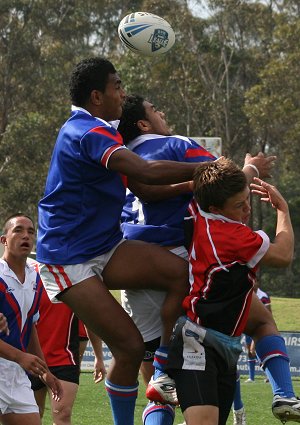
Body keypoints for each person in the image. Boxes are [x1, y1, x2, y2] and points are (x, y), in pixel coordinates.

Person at [36, 57, 215, 425]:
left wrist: (190, 183)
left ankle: (163, 371)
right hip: (67, 258)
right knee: (130, 347)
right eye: (117, 85)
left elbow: (142, 186)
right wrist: (210, 169)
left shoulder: (104, 128)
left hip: (106, 245)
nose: (124, 92)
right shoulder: (85, 131)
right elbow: (145, 170)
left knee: (178, 273)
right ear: (97, 95)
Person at [117, 94, 300, 425]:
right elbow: (221, 181)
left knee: (159, 386)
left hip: (133, 264)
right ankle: (284, 393)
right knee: (259, 321)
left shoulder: (119, 160)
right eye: (155, 110)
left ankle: (159, 374)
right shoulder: (175, 146)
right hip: (182, 266)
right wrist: (251, 168)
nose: (162, 112)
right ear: (144, 123)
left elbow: (151, 192)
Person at [165, 158, 294, 425]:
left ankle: (285, 395)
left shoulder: (200, 209)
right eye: (239, 205)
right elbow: (283, 255)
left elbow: (222, 184)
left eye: (247, 199)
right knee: (263, 321)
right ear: (216, 208)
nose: (247, 209)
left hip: (225, 345)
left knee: (263, 321)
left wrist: (249, 168)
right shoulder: (232, 236)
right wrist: (282, 209)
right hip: (197, 344)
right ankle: (284, 395)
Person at [0, 214, 62, 425]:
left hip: (16, 375)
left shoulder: (36, 278)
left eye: (30, 232)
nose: (25, 235)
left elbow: (30, 327)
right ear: (4, 239)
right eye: (18, 230)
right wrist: (21, 357)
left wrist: (44, 371)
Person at [30, 286, 106, 425]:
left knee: (63, 415)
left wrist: (98, 357)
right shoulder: (28, 277)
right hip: (30, 360)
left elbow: (90, 320)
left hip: (64, 358)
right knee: (33, 416)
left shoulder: (72, 279)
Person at [245, 281, 272, 383]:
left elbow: (269, 312)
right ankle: (251, 378)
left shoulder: (263, 296)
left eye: (255, 281)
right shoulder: (246, 293)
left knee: (254, 350)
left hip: (258, 328)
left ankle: (269, 375)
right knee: (250, 353)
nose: (253, 283)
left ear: (258, 283)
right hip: (247, 327)